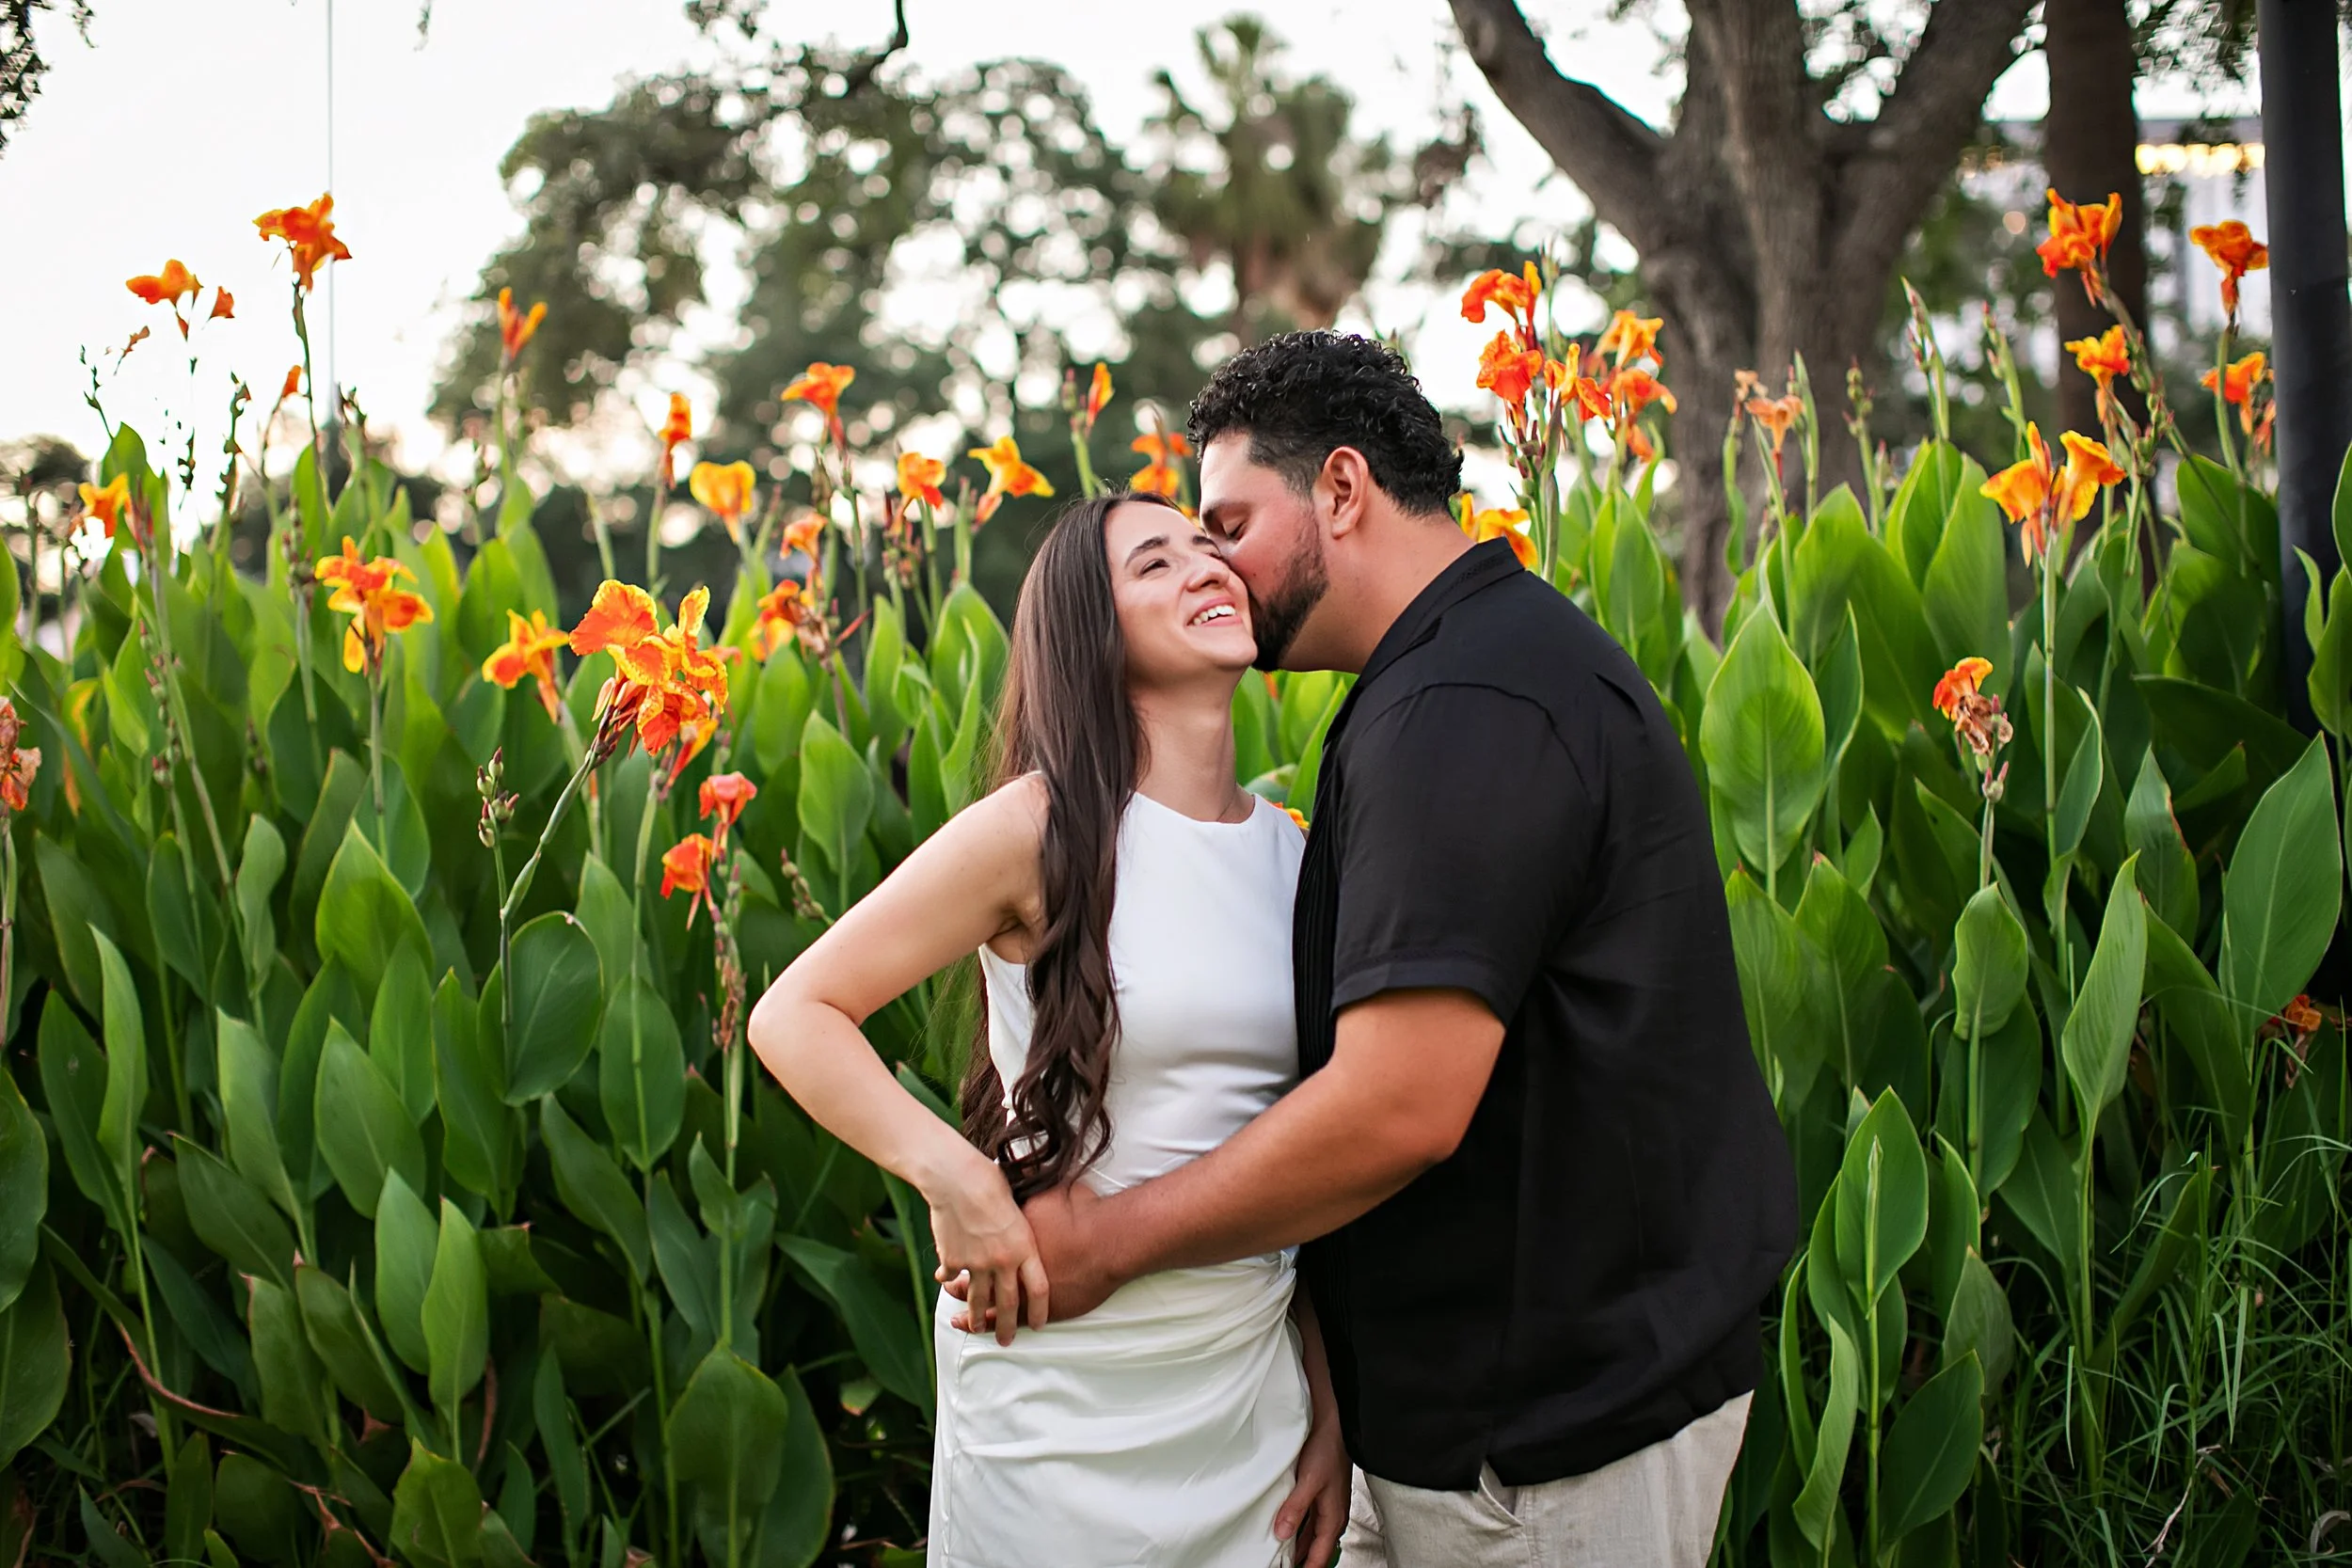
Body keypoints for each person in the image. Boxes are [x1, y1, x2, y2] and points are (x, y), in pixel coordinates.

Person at [991, 332, 1801, 1568]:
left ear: (1345, 489)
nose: (1216, 562)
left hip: (1545, 1442)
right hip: (1493, 1414)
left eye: (1230, 521)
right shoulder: (1471, 667)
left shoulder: (1461, 707)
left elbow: (1399, 1104)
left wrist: (1111, 1239)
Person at [746, 491, 1351, 1568]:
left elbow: (1303, 1141)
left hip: (1244, 1387)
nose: (1206, 570)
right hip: (1057, 1391)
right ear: (1090, 630)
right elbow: (795, 1012)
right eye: (1155, 564)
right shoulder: (1037, 826)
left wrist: (1328, 1399)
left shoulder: (1297, 853)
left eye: (1210, 550)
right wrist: (958, 1180)